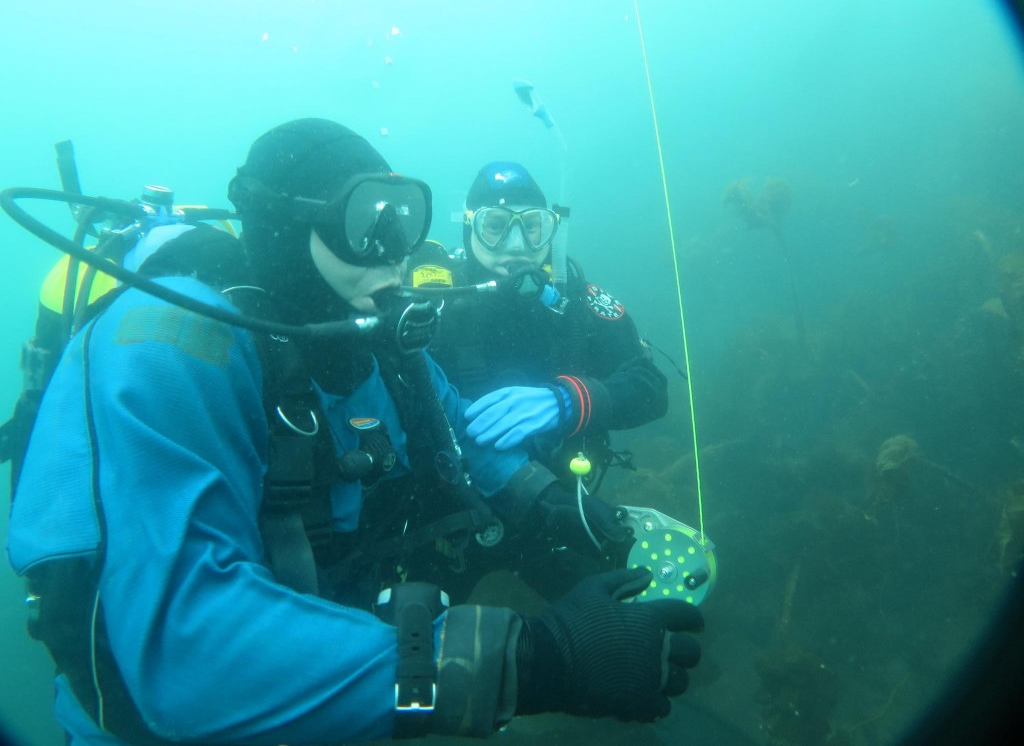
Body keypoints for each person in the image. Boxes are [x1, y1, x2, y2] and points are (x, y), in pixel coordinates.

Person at [6, 118, 702, 745]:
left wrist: (551, 502)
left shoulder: (367, 335)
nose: (395, 251)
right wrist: (529, 660)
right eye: (365, 223)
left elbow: (456, 432)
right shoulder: (170, 347)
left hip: (328, 679)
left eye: (403, 219)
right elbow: (179, 658)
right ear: (287, 226)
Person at [410, 160, 669, 498]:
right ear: (469, 227)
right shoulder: (434, 302)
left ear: (551, 231)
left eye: (533, 226)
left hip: (560, 504)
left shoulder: (575, 299)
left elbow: (650, 388)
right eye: (495, 225)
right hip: (446, 504)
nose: (517, 244)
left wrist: (567, 402)